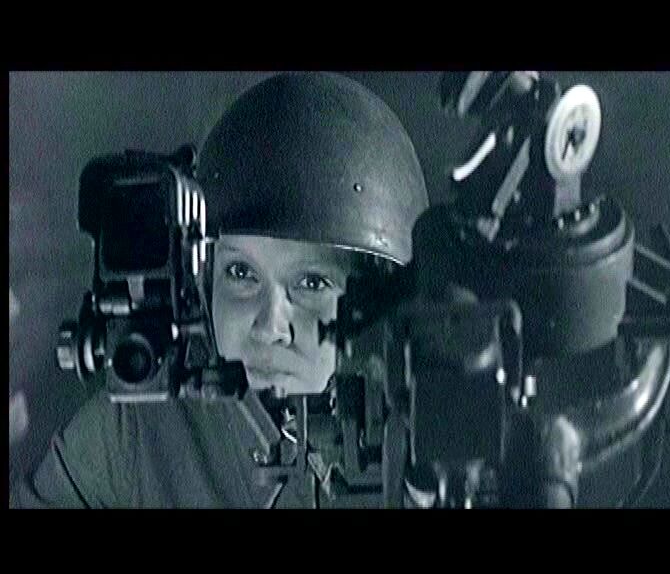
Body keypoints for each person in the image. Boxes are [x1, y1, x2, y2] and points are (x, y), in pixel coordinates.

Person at [10, 72, 429, 508]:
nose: (270, 327)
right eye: (241, 274)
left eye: (312, 283)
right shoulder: (136, 430)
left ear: (383, 304)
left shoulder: (427, 444)